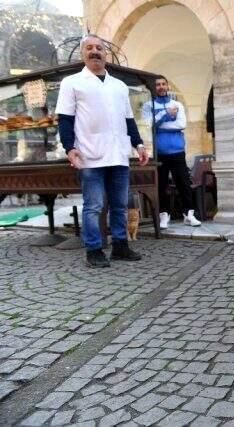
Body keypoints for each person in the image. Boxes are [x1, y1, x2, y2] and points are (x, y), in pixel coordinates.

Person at [56, 34, 149, 268]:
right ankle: (94, 250)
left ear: (105, 54)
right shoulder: (72, 82)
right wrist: (70, 148)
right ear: (83, 54)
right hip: (89, 154)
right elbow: (65, 120)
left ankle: (120, 246)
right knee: (93, 206)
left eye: (99, 48)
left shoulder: (119, 86)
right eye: (89, 48)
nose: (95, 51)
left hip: (118, 154)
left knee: (119, 204)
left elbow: (129, 120)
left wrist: (138, 145)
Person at [142, 76, 201, 229]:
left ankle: (189, 215)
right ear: (153, 88)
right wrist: (167, 114)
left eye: (163, 84)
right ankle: (164, 216)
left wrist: (159, 124)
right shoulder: (149, 105)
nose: (161, 87)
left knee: (184, 184)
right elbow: (148, 124)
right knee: (161, 186)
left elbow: (181, 124)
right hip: (159, 153)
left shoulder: (177, 104)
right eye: (157, 85)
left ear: (167, 86)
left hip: (178, 151)